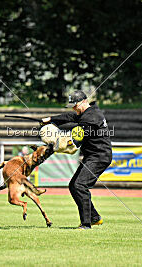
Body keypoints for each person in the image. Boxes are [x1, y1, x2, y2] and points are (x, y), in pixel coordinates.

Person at [42, 90, 112, 230]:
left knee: (80, 185)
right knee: (74, 185)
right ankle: (94, 217)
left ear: (84, 101)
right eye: (72, 106)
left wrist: (54, 129)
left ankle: (86, 224)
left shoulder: (93, 116)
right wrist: (51, 119)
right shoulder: (86, 113)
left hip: (99, 157)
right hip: (92, 156)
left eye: (75, 105)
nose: (74, 108)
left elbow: (76, 127)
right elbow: (70, 116)